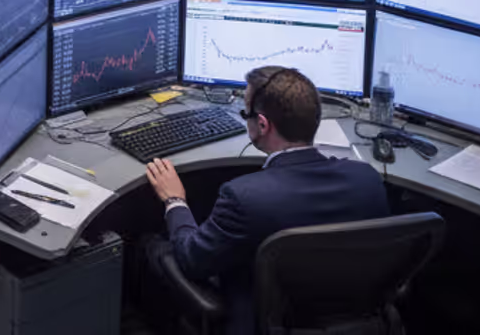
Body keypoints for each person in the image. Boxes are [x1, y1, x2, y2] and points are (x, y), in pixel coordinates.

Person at [144, 66, 389, 335]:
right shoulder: (368, 180)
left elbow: (192, 260)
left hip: (263, 318)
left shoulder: (244, 197)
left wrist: (175, 200)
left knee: (149, 245)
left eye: (245, 114)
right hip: (352, 316)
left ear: (262, 124)